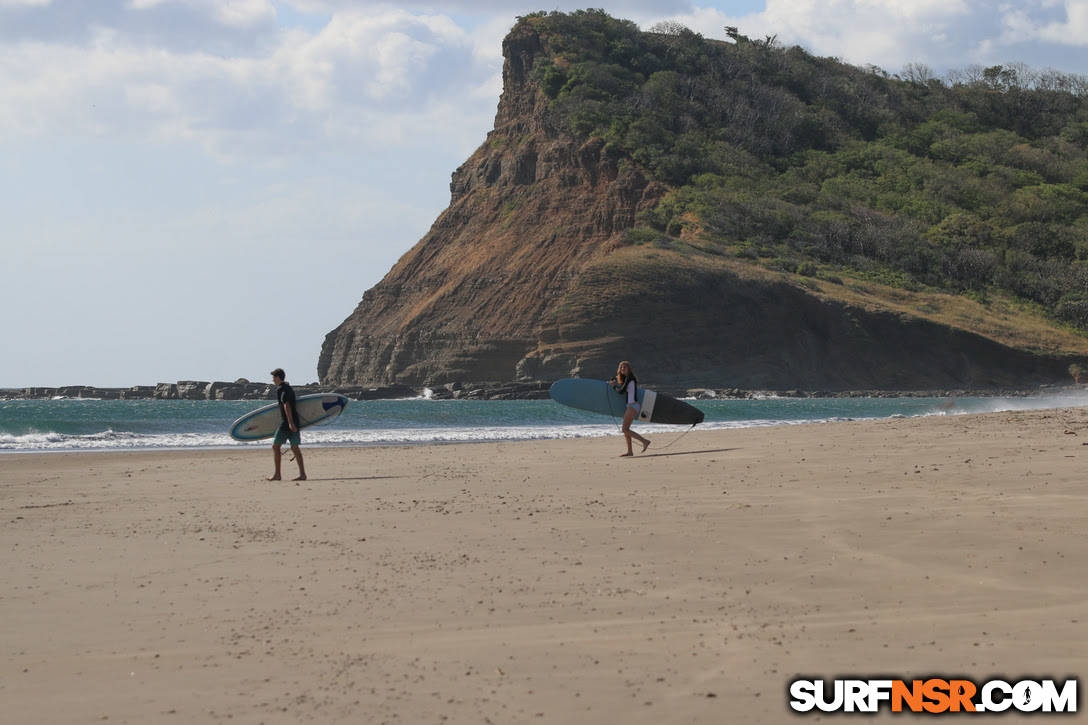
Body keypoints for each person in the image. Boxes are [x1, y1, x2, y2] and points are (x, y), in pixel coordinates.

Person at [269, 368, 306, 481]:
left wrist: (290, 423)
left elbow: (286, 405)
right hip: (295, 421)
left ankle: (277, 475)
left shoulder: (281, 389)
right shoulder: (289, 388)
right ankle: (302, 474)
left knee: (275, 446)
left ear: (278, 377)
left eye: (273, 378)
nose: (272, 380)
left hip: (287, 424)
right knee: (295, 447)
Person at [610, 360, 650, 457]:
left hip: (633, 406)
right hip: (630, 406)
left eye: (625, 367)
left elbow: (621, 391)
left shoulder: (630, 378)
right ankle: (630, 451)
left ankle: (645, 441)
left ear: (629, 369)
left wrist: (614, 387)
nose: (623, 369)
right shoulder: (626, 379)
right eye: (621, 367)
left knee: (624, 429)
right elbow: (621, 385)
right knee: (626, 429)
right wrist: (614, 380)